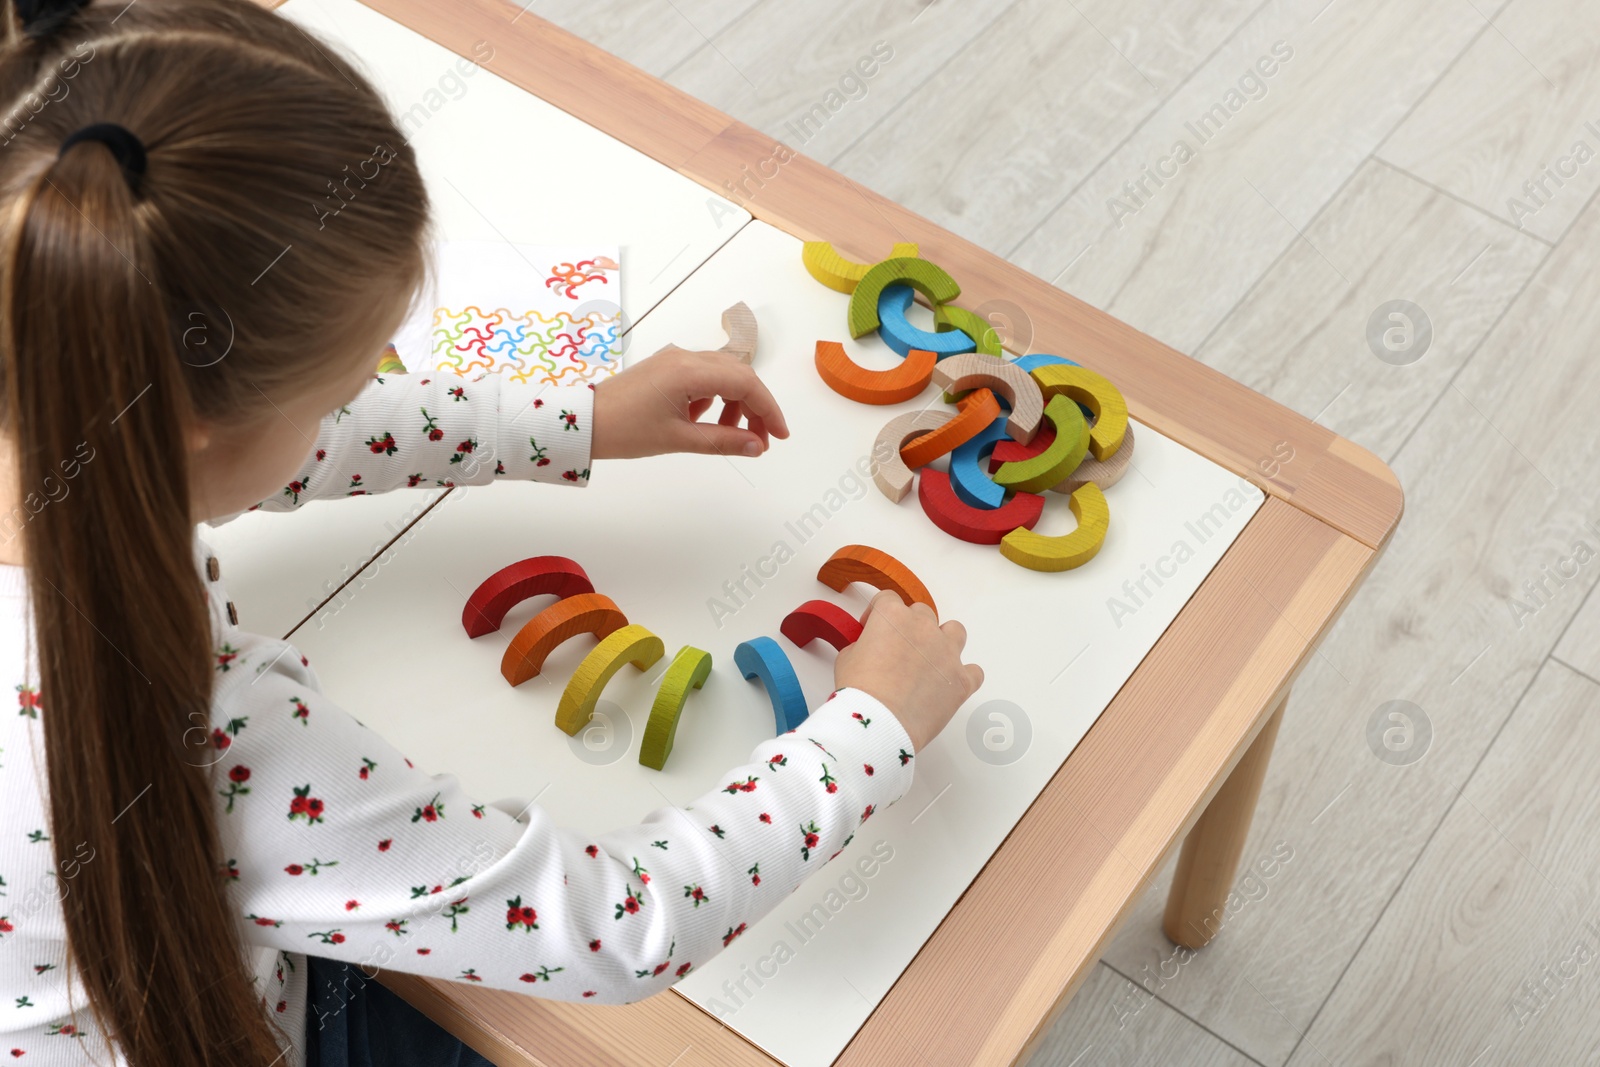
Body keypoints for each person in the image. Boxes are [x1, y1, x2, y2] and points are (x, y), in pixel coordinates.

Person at [0, 1, 984, 1063]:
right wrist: (870, 731)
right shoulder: (208, 731)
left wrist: (576, 417)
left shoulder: (53, 366)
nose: (352, 400)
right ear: (189, 426)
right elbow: (612, 924)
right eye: (342, 379)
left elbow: (266, 443)